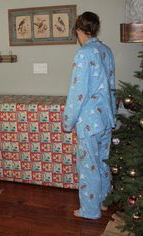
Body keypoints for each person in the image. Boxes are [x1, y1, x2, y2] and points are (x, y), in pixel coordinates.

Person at [63, 12, 116, 219]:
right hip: (105, 118)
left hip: (89, 122)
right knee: (102, 162)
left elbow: (78, 93)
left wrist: (68, 121)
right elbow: (111, 87)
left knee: (88, 166)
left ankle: (90, 210)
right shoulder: (106, 51)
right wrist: (113, 116)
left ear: (78, 31)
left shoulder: (84, 54)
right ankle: (102, 201)